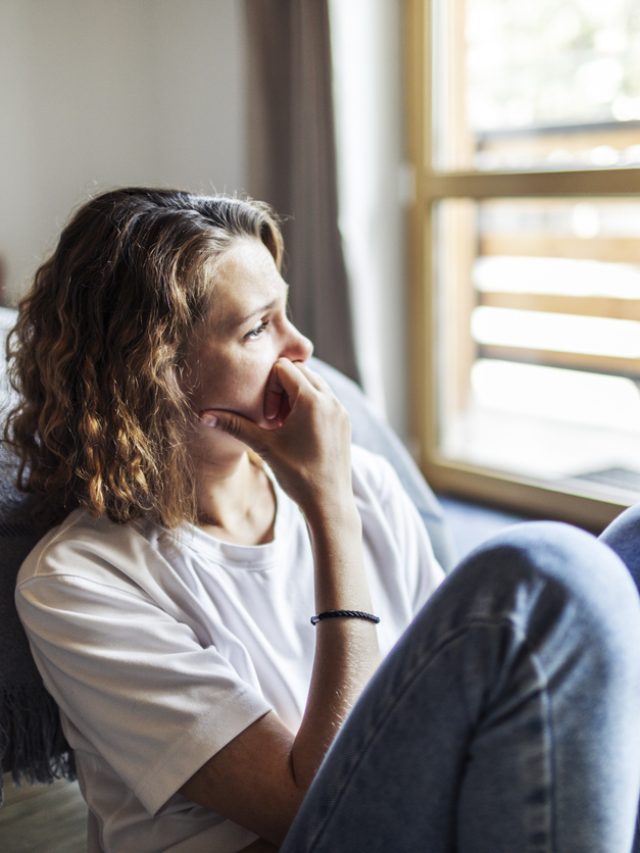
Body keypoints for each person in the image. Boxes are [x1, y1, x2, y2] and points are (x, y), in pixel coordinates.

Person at [7, 188, 640, 853]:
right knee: (545, 571)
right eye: (259, 329)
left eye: (286, 313)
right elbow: (313, 809)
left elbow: (455, 696)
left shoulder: (363, 477)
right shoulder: (78, 580)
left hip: (433, 811)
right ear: (151, 373)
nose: (302, 347)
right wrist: (330, 509)